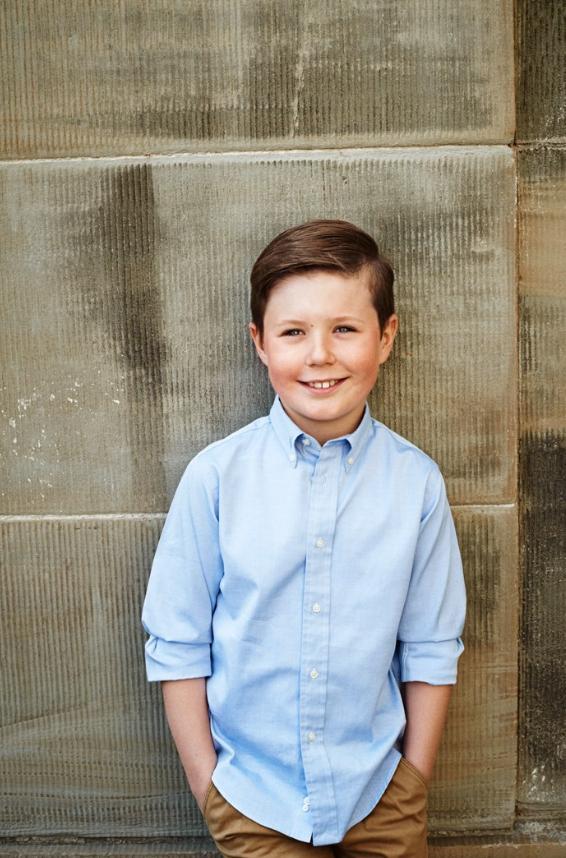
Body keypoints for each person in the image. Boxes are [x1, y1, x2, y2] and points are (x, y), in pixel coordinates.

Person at [141, 219, 467, 857]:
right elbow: (177, 644)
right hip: (252, 798)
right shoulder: (216, 477)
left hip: (381, 794)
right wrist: (211, 790)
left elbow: (431, 645)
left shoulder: (416, 483)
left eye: (345, 329)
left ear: (386, 337)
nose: (320, 355)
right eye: (294, 332)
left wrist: (413, 782)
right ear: (260, 343)